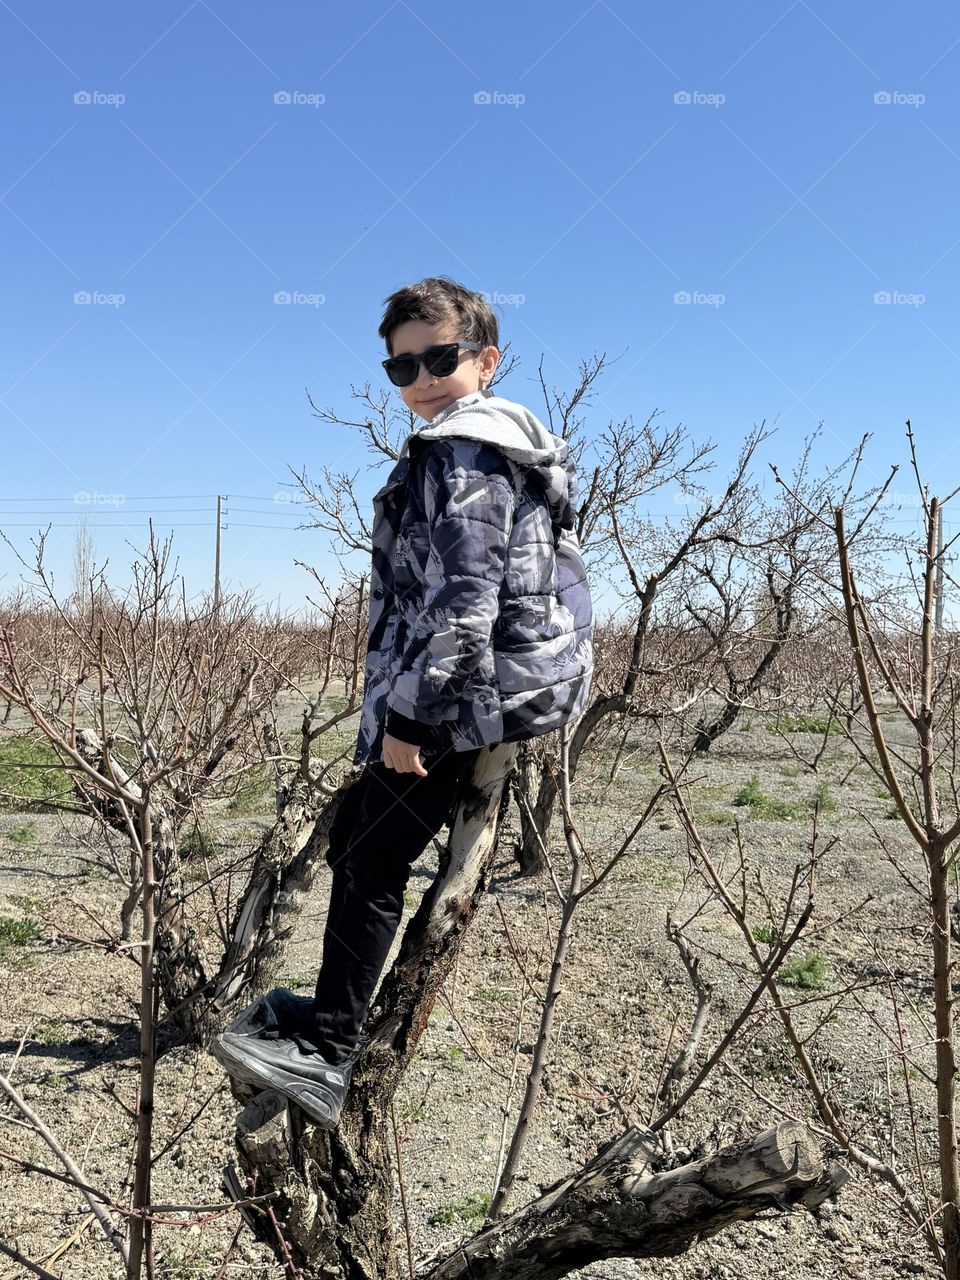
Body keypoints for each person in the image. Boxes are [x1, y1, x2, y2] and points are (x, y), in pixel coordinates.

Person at [212, 276, 593, 1126]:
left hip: (459, 697)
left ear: (485, 361)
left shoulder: (461, 452)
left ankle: (329, 1051)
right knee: (361, 840)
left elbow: (464, 600)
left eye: (440, 358)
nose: (420, 378)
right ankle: (332, 1020)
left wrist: (412, 721)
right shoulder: (499, 445)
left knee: (372, 858)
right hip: (485, 686)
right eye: (400, 367)